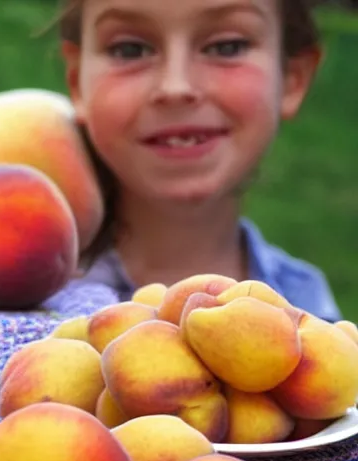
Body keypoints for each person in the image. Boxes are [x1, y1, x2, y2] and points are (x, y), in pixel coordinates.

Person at [56, 0, 342, 322]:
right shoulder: (26, 301)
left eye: (227, 46)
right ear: (77, 81)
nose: (176, 87)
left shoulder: (311, 312)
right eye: (130, 50)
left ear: (292, 77)